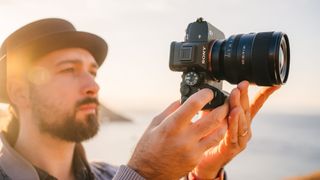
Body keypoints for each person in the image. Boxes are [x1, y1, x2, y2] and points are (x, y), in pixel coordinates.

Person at [0, 18, 279, 180]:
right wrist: (146, 173)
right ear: (19, 92)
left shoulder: (109, 175)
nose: (92, 86)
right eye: (68, 70)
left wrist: (203, 173)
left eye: (92, 71)